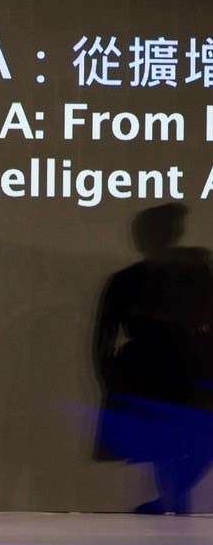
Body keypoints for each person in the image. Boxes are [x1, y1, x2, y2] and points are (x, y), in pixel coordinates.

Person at [93, 202, 213, 514]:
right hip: (160, 369)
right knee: (165, 442)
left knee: (178, 440)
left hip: (183, 367)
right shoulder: (131, 280)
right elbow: (105, 333)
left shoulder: (194, 275)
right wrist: (108, 371)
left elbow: (105, 334)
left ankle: (172, 497)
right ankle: (173, 498)